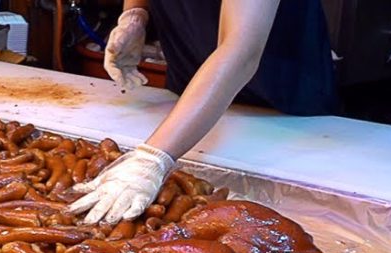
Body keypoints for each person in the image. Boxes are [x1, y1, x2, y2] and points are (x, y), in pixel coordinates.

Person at [69, 0, 337, 224]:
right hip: (192, 85)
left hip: (280, 104)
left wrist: (152, 159)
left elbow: (241, 50)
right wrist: (136, 14)